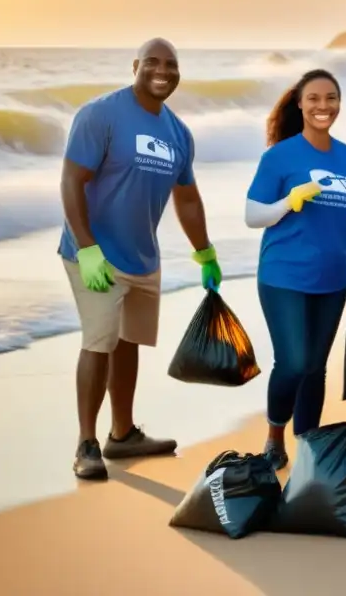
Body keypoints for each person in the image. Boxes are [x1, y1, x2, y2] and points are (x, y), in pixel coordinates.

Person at [59, 37, 222, 481]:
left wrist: (205, 251)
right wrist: (87, 247)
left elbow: (186, 199)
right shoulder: (101, 115)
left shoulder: (177, 134)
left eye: (171, 64)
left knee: (128, 341)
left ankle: (123, 434)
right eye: (152, 61)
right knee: (100, 340)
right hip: (95, 253)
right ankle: (87, 443)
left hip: (142, 257)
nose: (162, 70)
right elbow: (72, 180)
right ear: (135, 66)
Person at [244, 69, 346, 469]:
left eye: (330, 98)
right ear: (299, 103)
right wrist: (288, 202)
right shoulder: (279, 156)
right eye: (314, 98)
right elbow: (252, 215)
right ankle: (274, 436)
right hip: (283, 276)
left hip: (332, 280)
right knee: (294, 362)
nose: (323, 106)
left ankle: (308, 446)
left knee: (315, 367)